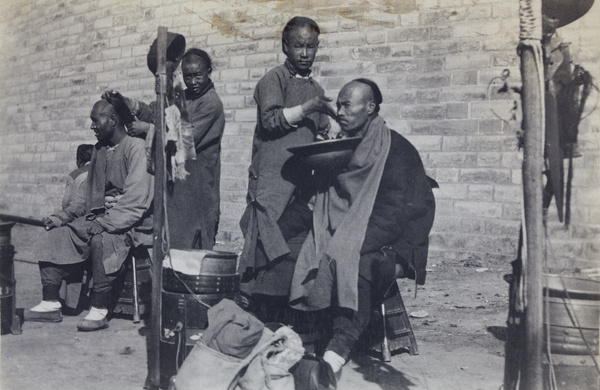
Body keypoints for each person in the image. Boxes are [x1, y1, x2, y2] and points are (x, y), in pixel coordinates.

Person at [289, 79, 436, 377]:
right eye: (338, 104)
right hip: (352, 227)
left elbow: (395, 214)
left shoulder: (394, 148)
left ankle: (335, 355)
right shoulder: (344, 144)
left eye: (347, 105)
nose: (339, 110)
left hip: (398, 239)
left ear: (370, 108)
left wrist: (350, 241)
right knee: (300, 247)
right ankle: (305, 332)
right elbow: (333, 196)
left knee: (354, 261)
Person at [237, 16, 337, 323]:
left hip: (300, 180)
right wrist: (309, 108)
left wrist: (331, 131)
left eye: (311, 46)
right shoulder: (274, 79)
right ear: (285, 46)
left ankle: (284, 308)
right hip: (272, 178)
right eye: (298, 46)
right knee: (265, 239)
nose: (305, 53)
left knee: (291, 244)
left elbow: (319, 133)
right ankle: (252, 307)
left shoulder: (316, 88)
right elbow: (271, 121)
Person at [24, 100, 154, 331]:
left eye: (96, 120)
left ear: (113, 120)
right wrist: (61, 217)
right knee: (57, 234)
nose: (92, 126)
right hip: (100, 216)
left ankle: (99, 308)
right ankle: (51, 302)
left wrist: (106, 223)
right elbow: (85, 197)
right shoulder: (99, 150)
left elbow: (136, 200)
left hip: (131, 221)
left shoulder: (136, 147)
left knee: (101, 240)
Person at [108, 48, 225, 250]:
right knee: (171, 246)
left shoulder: (211, 104)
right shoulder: (184, 98)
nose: (193, 82)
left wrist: (149, 130)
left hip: (198, 191)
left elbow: (185, 138)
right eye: (188, 76)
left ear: (209, 72)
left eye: (198, 75)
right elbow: (157, 112)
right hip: (177, 189)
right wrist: (127, 103)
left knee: (190, 251)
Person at [55, 143, 94, 312]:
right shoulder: (100, 172)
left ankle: (69, 302)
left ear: (79, 159)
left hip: (77, 222)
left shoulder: (75, 175)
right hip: (97, 222)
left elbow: (66, 203)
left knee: (69, 258)